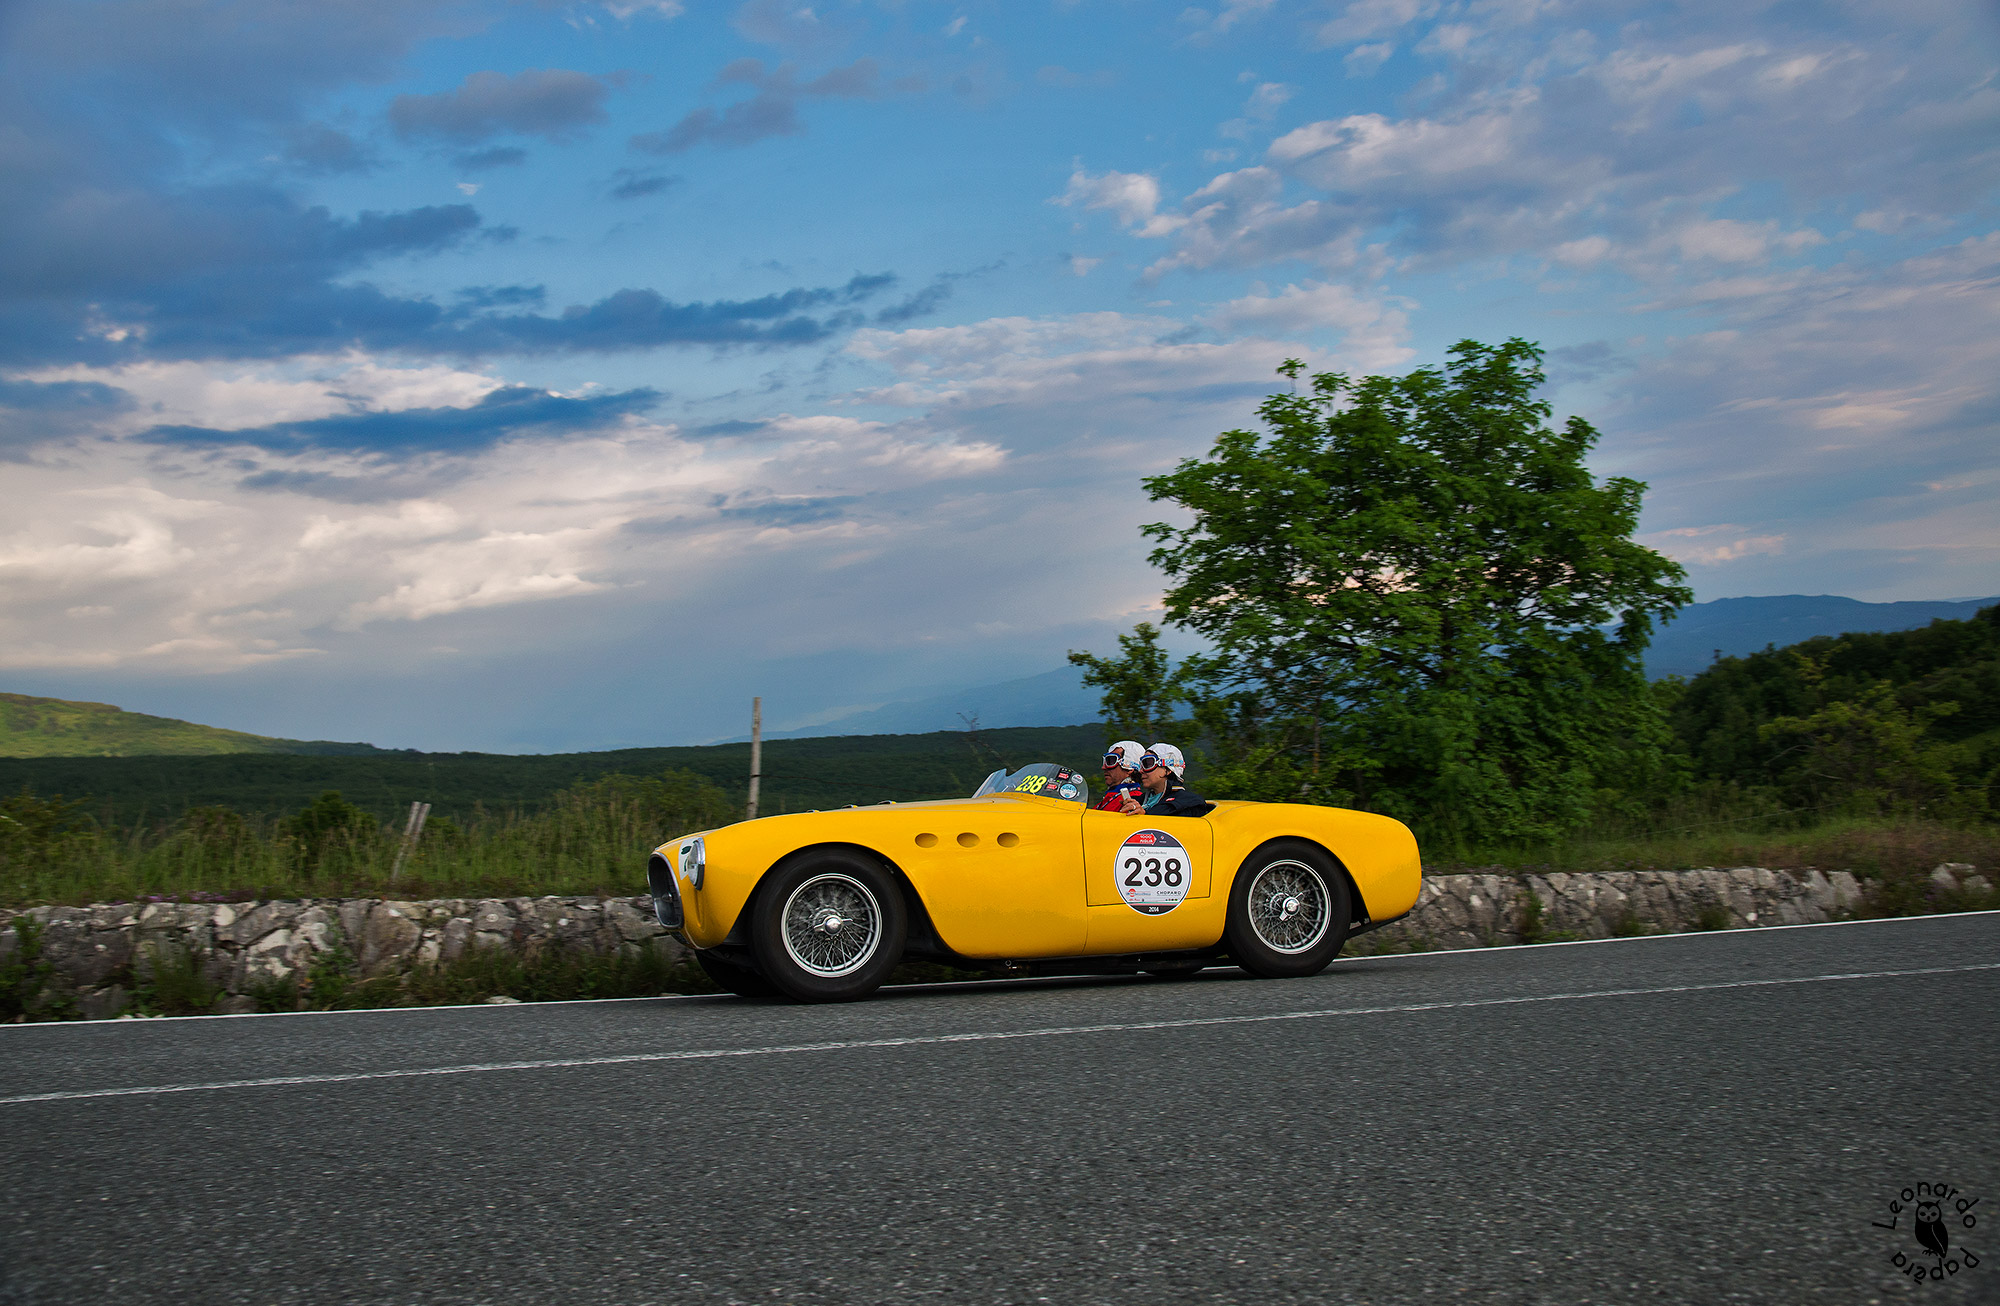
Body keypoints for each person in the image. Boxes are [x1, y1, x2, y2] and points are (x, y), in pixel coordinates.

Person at [1120, 745, 1212, 818]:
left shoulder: (1190, 802)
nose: (1141, 770)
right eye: (1141, 765)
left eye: (1148, 764)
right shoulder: (1139, 800)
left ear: (1168, 770)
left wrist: (1145, 815)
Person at [1095, 740, 1145, 812]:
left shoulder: (1132, 802)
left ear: (1129, 768)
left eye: (1111, 761)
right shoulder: (1111, 797)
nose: (1103, 767)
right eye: (1105, 761)